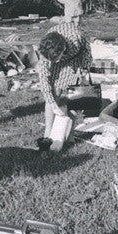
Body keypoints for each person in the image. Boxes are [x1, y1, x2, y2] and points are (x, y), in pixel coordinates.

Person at [32, 19, 93, 149]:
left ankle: (69, 135)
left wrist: (84, 69)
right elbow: (44, 79)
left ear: (63, 48)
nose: (57, 60)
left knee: (73, 97)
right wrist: (52, 103)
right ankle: (48, 132)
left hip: (75, 60)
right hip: (55, 59)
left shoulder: (77, 38)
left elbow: (87, 52)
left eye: (57, 57)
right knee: (53, 93)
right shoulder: (46, 51)